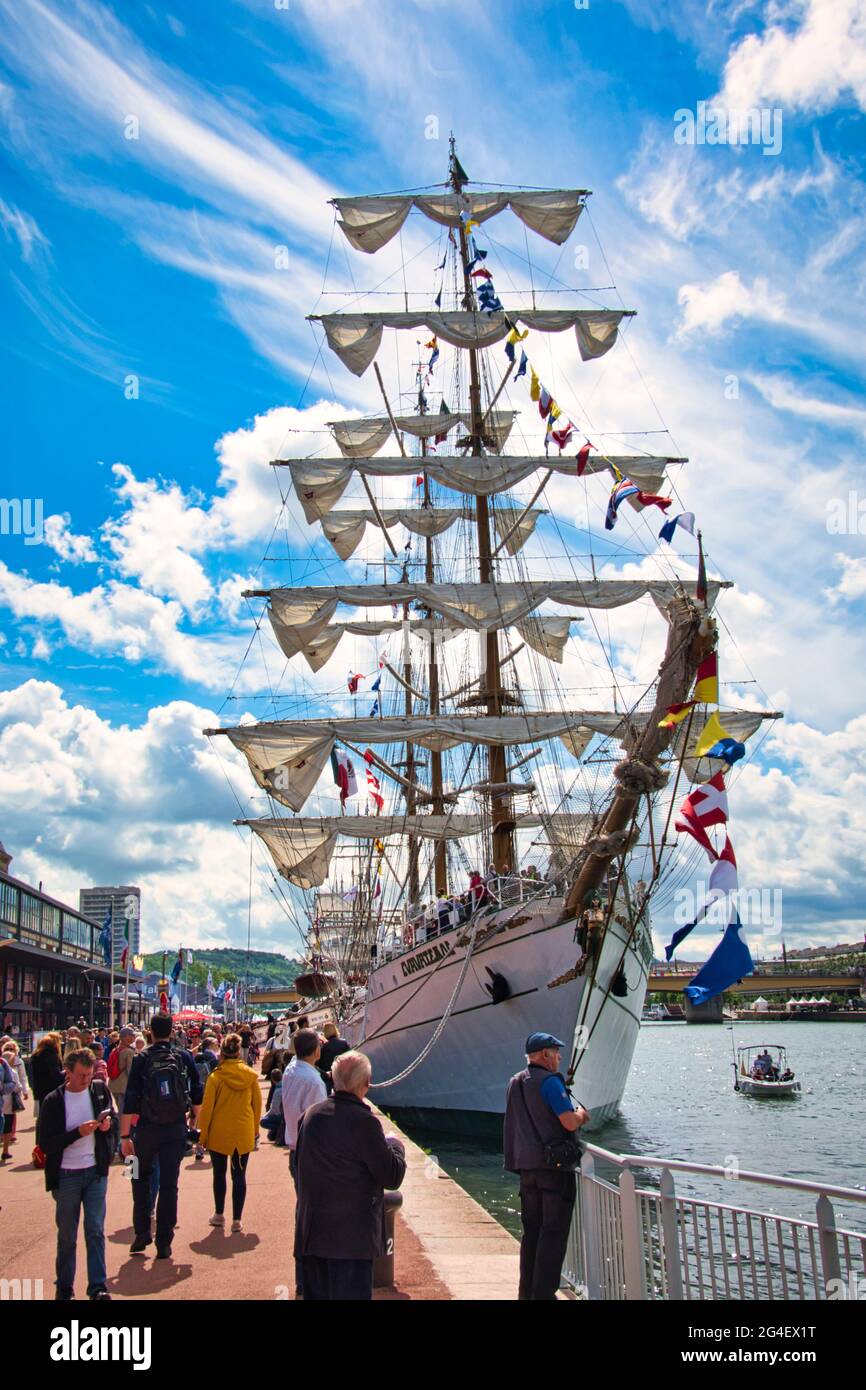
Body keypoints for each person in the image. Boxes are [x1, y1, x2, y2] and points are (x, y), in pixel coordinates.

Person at [295, 1050, 406, 1301]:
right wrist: (396, 1146)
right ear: (366, 1084)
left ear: (333, 1080)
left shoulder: (311, 1116)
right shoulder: (364, 1122)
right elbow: (391, 1176)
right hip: (351, 1239)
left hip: (313, 1233)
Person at [503, 1031, 590, 1301]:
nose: (560, 1057)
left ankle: (526, 1293)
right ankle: (543, 1295)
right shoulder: (551, 1082)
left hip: (527, 1170)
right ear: (544, 1055)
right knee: (553, 1234)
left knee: (532, 1234)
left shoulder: (515, 1082)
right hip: (554, 1169)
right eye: (555, 1052)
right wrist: (582, 1115)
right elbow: (568, 1122)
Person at [119, 1012, 204, 1260]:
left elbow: (131, 1098)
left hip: (145, 1129)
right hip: (175, 1129)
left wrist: (125, 1137)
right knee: (170, 1183)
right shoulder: (183, 1056)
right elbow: (197, 1091)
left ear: (151, 1033)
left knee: (137, 1177)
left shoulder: (142, 1058)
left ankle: (142, 1231)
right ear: (172, 1031)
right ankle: (164, 1240)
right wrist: (192, 1120)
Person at [37, 1047, 115, 1300]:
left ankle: (97, 1287)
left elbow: (111, 1120)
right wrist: (76, 1134)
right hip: (66, 1174)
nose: (86, 1080)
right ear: (67, 1072)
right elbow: (46, 1144)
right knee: (67, 1236)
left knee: (95, 1230)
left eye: (89, 1074)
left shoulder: (99, 1090)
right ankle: (65, 1288)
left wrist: (107, 1126)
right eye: (81, 1075)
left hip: (94, 1172)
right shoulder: (54, 1101)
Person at [197, 1033, 262, 1233]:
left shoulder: (216, 1077)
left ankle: (219, 1214)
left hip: (219, 1132)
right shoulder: (250, 1076)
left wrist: (202, 1136)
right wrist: (255, 1131)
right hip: (242, 1131)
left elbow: (207, 1109)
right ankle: (237, 1219)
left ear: (222, 1053)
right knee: (239, 1175)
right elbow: (257, 1105)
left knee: (219, 1174)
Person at [281, 1029, 327, 1297]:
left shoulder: (290, 1070)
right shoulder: (314, 1082)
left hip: (295, 1147)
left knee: (304, 1215)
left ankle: (304, 1278)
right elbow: (321, 1122)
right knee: (314, 1218)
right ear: (317, 1051)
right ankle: (309, 1280)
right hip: (311, 1154)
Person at [31, 1033, 66, 1121]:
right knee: (52, 1116)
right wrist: (66, 1072)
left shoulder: (35, 1055)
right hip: (52, 1089)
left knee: (42, 1115)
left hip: (39, 1089)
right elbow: (57, 1075)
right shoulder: (52, 1055)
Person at [317, 1022, 350, 1096]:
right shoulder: (343, 1043)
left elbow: (320, 1063)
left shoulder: (324, 1047)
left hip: (329, 1076)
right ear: (335, 1029)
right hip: (342, 1074)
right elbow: (350, 1058)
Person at [107, 1026, 136, 1110]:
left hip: (113, 1084)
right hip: (124, 1086)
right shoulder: (129, 1052)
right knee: (123, 1112)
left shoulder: (115, 1050)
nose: (134, 1037)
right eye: (132, 1035)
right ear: (126, 1036)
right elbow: (130, 1071)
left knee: (119, 1108)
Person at [1, 1049, 22, 1161]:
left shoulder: (3, 1068)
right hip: (8, 1104)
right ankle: (5, 1151)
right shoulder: (12, 1072)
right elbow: (17, 1086)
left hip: (3, 1103)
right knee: (7, 1128)